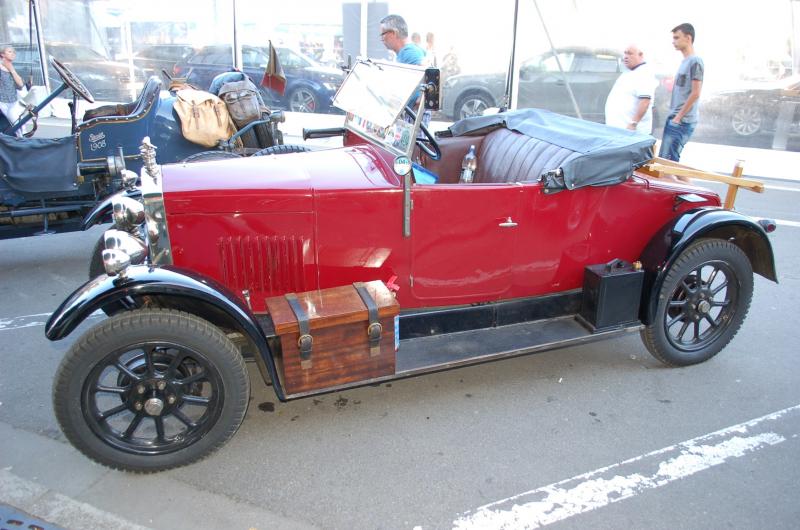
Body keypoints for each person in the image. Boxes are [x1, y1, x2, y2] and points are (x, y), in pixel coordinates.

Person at [659, 23, 704, 161]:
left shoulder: (695, 62)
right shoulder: (685, 61)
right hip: (675, 118)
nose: (674, 42)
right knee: (668, 163)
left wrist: (679, 117)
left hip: (682, 121)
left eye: (677, 38)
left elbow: (696, 92)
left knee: (668, 164)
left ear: (688, 38)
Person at [604, 44, 657, 134]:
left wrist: (633, 123)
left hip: (631, 133)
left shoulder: (644, 74)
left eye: (630, 54)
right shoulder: (628, 72)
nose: (626, 57)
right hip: (618, 130)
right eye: (625, 53)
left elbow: (645, 102)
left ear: (640, 55)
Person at [0, 45, 25, 136]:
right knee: (10, 124)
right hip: (2, 102)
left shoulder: (13, 69)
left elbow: (20, 85)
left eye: (14, 52)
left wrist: (11, 70)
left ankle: (20, 140)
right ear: (2, 54)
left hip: (13, 101)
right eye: (9, 52)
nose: (13, 54)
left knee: (19, 124)